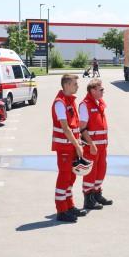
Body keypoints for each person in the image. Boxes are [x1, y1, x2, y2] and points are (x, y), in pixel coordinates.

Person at [51, 74, 88, 223]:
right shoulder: (60, 102)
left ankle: (69, 206)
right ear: (66, 86)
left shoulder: (70, 100)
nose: (77, 87)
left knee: (71, 177)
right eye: (74, 84)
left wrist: (78, 143)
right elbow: (65, 128)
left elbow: (74, 127)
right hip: (65, 147)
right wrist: (77, 145)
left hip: (71, 145)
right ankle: (61, 210)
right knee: (64, 177)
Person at [78, 79, 113, 209]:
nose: (103, 91)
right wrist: (91, 144)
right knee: (90, 173)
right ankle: (88, 198)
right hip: (92, 147)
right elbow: (82, 127)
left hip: (102, 146)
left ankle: (97, 193)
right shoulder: (85, 105)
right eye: (101, 89)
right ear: (93, 91)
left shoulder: (99, 103)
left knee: (101, 170)